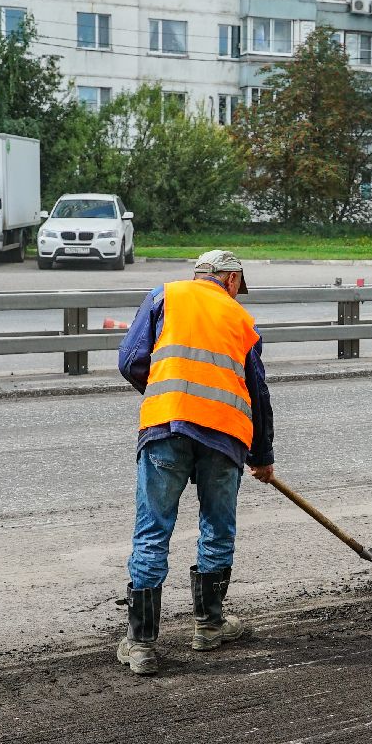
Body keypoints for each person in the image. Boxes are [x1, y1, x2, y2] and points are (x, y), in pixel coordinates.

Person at [114, 249, 275, 675]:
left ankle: (142, 646)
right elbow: (257, 392)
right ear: (231, 279)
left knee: (152, 530)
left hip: (167, 430)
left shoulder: (164, 296)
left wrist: (168, 395)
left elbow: (131, 361)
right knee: (217, 527)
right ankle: (209, 626)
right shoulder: (240, 319)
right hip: (224, 436)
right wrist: (263, 457)